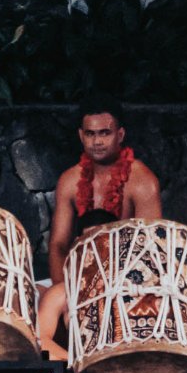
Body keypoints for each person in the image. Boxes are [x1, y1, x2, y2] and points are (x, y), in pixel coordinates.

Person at [45, 109, 162, 275]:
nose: (97, 141)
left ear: (120, 135)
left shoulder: (143, 182)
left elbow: (150, 248)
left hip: (130, 278)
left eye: (105, 133)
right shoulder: (69, 181)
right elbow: (59, 245)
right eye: (90, 134)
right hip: (81, 275)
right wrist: (64, 286)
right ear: (81, 136)